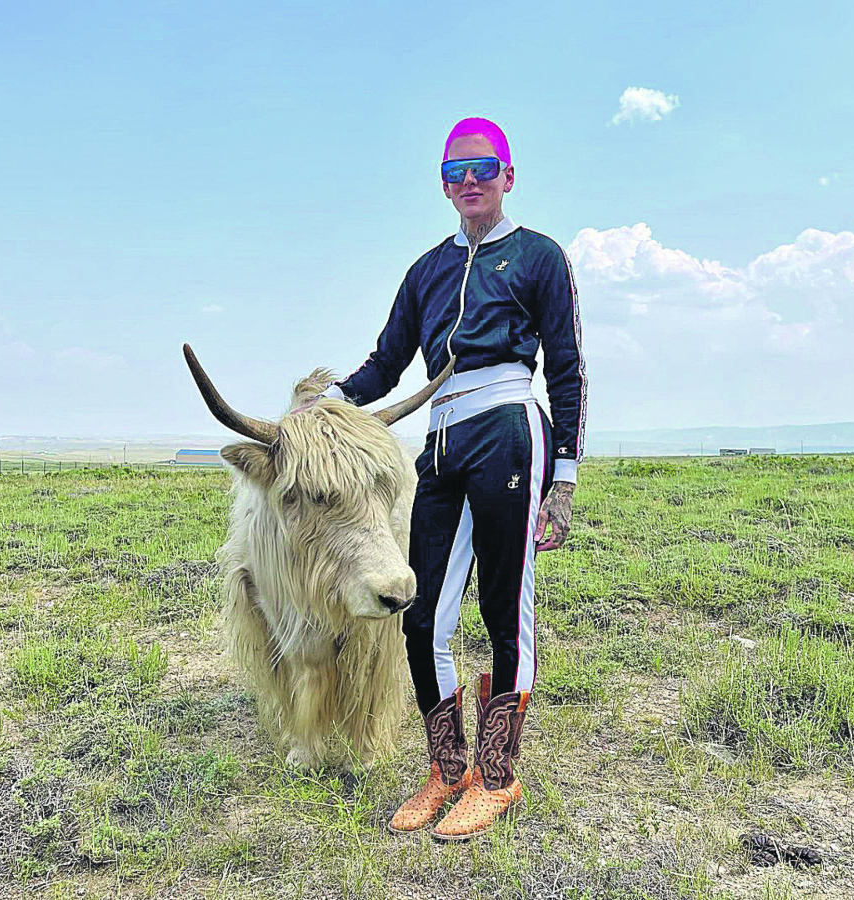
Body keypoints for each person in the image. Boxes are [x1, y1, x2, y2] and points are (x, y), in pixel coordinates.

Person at [322, 117, 587, 840]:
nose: (469, 181)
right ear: (443, 185)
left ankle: (497, 779)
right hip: (437, 440)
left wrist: (561, 483)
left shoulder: (539, 257)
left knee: (507, 610)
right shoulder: (426, 270)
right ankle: (446, 770)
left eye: (483, 168)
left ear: (508, 175)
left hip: (508, 427)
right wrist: (331, 400)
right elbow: (386, 364)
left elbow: (565, 369)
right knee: (422, 615)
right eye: (454, 172)